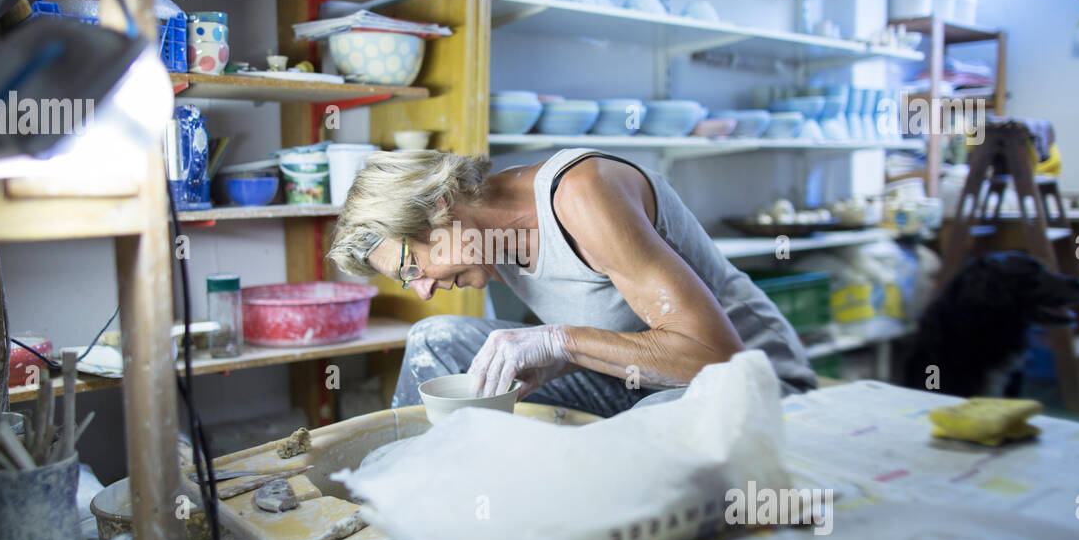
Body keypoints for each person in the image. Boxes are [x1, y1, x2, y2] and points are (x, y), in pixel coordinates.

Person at [328, 148, 816, 417]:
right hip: (635, 387)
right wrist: (554, 362)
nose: (423, 289)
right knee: (436, 340)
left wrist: (560, 343)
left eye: (411, 267)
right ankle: (420, 510)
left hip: (755, 382)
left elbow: (719, 360)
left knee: (656, 425)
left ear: (438, 206)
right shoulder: (491, 239)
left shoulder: (584, 193)